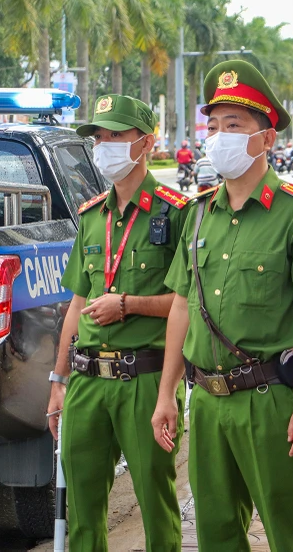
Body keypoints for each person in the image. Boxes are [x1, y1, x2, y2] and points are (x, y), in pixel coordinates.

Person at [151, 59, 293, 551]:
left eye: (234, 126)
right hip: (207, 401)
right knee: (214, 533)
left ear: (266, 138)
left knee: (289, 529)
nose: (219, 137)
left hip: (271, 400)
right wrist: (167, 394)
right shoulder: (198, 214)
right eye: (213, 126)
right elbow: (183, 307)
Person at [47, 94, 190, 552]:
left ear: (146, 142)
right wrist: (58, 379)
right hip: (87, 379)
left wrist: (127, 304)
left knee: (155, 499)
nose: (104, 145)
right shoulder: (92, 217)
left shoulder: (178, 212)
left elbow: (190, 304)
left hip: (144, 377)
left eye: (115, 136)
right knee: (83, 507)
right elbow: (77, 304)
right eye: (99, 137)